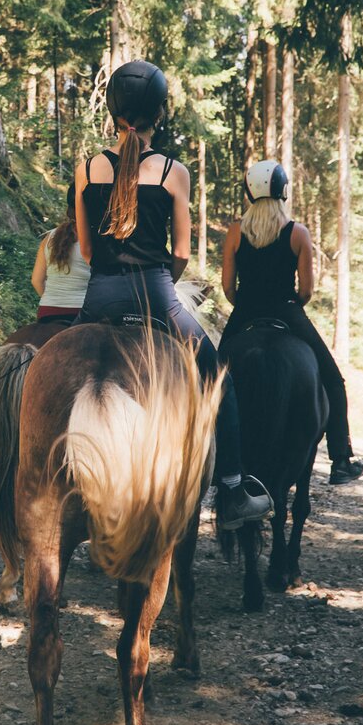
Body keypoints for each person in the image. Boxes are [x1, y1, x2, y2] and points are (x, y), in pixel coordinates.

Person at [74, 60, 272, 530]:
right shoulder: (172, 173)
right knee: (217, 378)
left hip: (98, 298)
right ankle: (230, 491)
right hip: (157, 298)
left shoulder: (86, 170)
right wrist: (163, 276)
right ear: (157, 115)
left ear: (114, 111)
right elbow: (180, 252)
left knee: (44, 363)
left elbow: (85, 248)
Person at [221, 160, 363, 485]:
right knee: (333, 380)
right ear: (283, 191)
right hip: (287, 311)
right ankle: (341, 459)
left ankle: (206, 456)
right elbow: (307, 290)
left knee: (210, 380)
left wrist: (244, 306)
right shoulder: (297, 232)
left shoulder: (235, 231)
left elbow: (228, 287)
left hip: (244, 312)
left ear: (249, 192)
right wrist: (290, 306)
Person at [32, 183, 91, 323]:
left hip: (47, 311)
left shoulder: (49, 237)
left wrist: (53, 301)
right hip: (81, 312)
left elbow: (36, 281)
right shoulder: (95, 239)